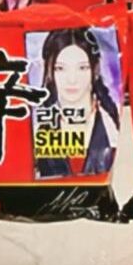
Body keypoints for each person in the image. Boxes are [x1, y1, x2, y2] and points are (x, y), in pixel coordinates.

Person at [33, 28, 120, 178]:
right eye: (60, 68)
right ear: (49, 71)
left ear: (95, 69)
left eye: (82, 68)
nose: (72, 79)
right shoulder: (37, 128)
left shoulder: (112, 125)